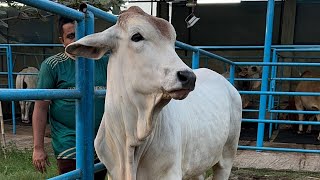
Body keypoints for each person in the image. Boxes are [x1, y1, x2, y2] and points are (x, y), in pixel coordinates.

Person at [32, 17, 108, 179]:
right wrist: (38, 148)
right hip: (69, 143)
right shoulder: (53, 65)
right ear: (62, 40)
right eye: (71, 36)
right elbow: (40, 107)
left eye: (81, 35)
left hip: (102, 141)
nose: (78, 40)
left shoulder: (103, 62)